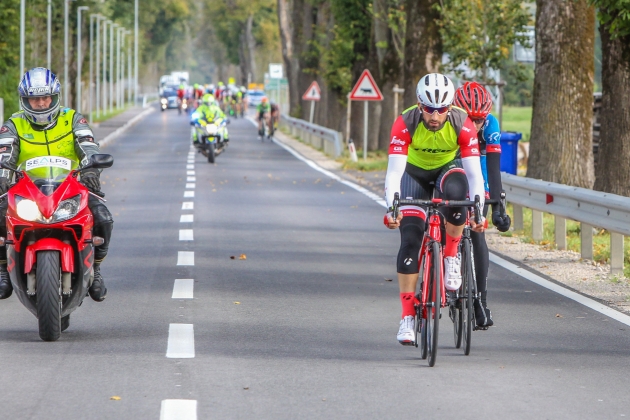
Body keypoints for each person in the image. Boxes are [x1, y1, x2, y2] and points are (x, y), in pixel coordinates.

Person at [383, 73, 486, 345]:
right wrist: (392, 208)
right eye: (429, 109)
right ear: (419, 105)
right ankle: (407, 316)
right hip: (412, 175)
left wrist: (479, 212)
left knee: (457, 195)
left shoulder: (463, 124)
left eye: (441, 110)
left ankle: (451, 256)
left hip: (446, 170)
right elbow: (394, 173)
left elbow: (476, 176)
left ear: (450, 108)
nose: (435, 116)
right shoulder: (405, 123)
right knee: (410, 238)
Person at [0, 67, 113, 302]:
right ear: (25, 100)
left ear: (54, 97)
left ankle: (97, 268)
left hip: (69, 185)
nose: (40, 104)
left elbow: (88, 145)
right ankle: (2, 268)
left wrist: (91, 169)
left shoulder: (73, 119)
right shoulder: (13, 124)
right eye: (34, 98)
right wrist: (2, 176)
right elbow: (4, 152)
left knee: (103, 217)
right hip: (27, 189)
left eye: (45, 98)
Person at [453, 81, 511, 328]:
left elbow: (493, 167)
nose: (475, 125)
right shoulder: (449, 121)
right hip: (454, 163)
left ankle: (481, 301)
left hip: (481, 168)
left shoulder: (491, 124)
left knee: (478, 234)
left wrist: (497, 206)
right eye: (470, 119)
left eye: (479, 119)